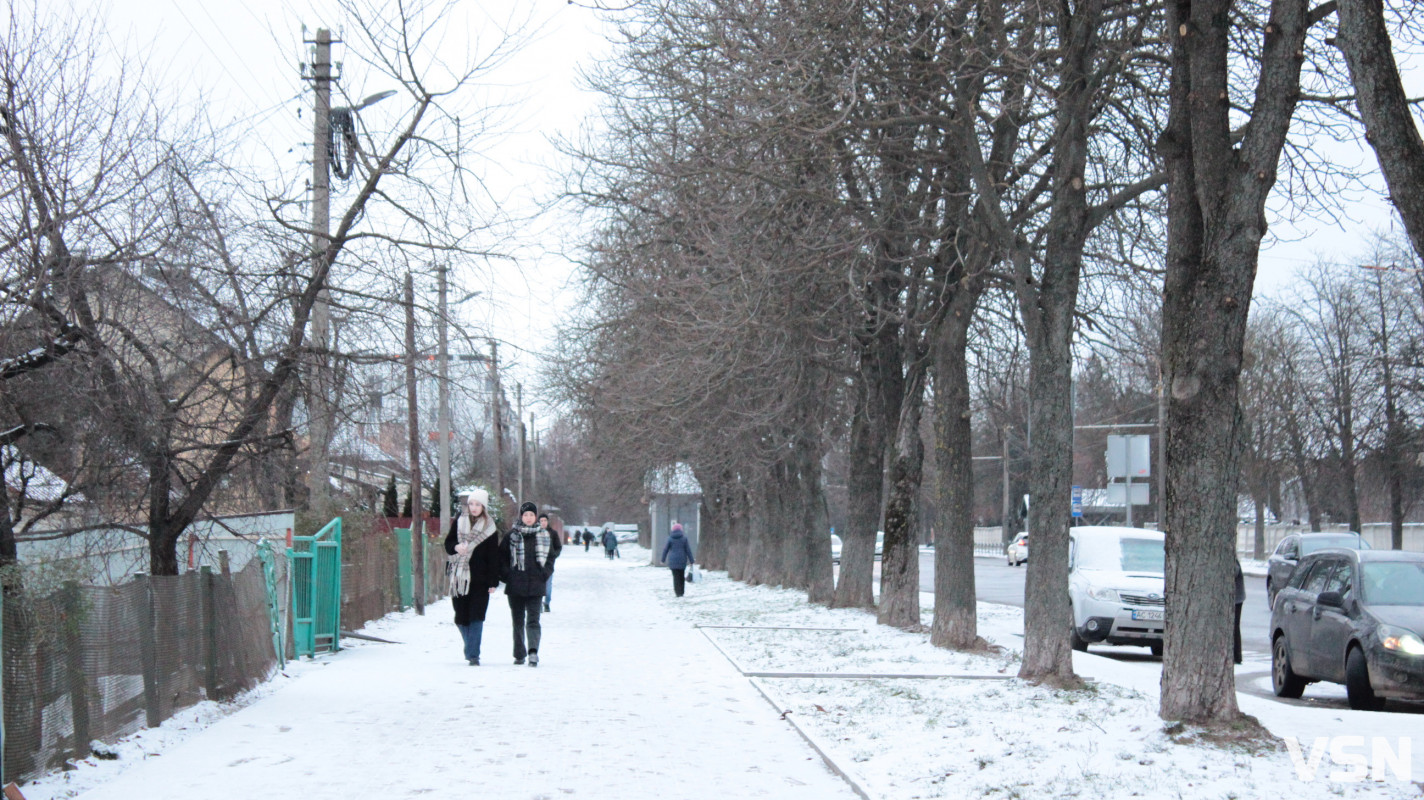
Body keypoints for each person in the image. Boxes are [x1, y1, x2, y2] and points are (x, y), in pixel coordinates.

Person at [444, 489, 500, 666]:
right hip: (459, 578)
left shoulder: (490, 527)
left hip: (480, 580)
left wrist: (493, 581)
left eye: (478, 504)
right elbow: (448, 543)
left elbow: (493, 556)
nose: (474, 507)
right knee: (461, 616)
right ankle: (470, 647)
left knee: (477, 616)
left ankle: (473, 654)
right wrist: (456, 547)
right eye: (471, 504)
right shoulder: (459, 522)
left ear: (483, 506)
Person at [500, 501, 560, 666]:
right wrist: (507, 575)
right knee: (518, 620)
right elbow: (502, 557)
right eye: (525, 515)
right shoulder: (511, 535)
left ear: (535, 517)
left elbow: (551, 558)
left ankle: (533, 652)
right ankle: (519, 653)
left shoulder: (544, 536)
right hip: (515, 586)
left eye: (531, 515)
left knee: (533, 620)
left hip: (536, 585)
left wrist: (544, 574)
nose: (528, 518)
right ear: (521, 516)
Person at [660, 522, 696, 597]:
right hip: (682, 560)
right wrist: (691, 561)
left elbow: (665, 549)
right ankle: (681, 592)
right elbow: (688, 550)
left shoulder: (670, 538)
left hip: (673, 561)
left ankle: (677, 592)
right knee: (681, 576)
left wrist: (662, 560)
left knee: (675, 577)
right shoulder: (684, 539)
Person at [538, 513, 556, 613]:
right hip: (538, 565)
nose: (543, 523)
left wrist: (553, 557)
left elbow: (557, 547)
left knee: (548, 586)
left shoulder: (552, 533)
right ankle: (539, 603)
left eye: (545, 521)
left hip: (549, 565)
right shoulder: (535, 533)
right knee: (539, 585)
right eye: (541, 521)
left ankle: (547, 602)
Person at [1233, 558, 1245, 665]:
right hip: (1235, 598)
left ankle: (1237, 656)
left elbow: (1235, 572)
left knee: (1235, 626)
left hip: (1237, 599)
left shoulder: (1233, 560)